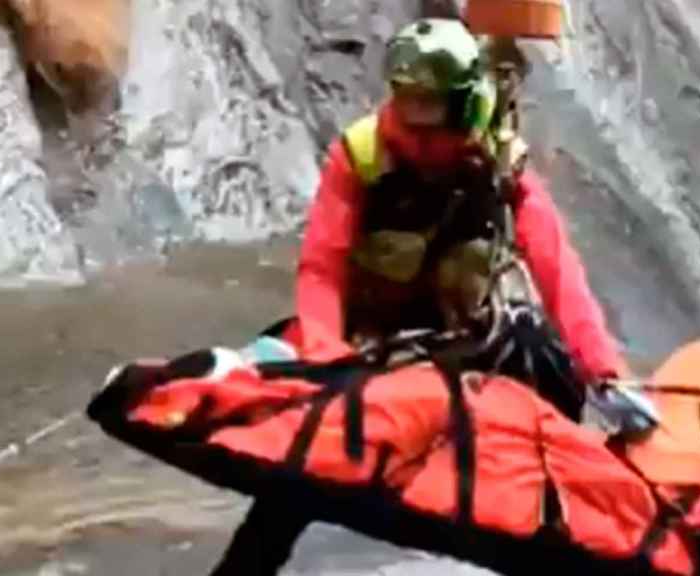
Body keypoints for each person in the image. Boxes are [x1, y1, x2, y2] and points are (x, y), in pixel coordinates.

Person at [209, 17, 629, 575]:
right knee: (304, 449)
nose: (414, 125)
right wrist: (325, 350)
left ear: (460, 105)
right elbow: (321, 267)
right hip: (371, 337)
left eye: (429, 109)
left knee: (546, 365)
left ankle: (567, 529)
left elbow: (556, 269)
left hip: (467, 336)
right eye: (407, 104)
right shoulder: (361, 156)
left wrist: (605, 372)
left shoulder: (500, 163)